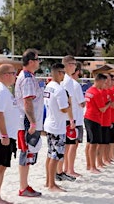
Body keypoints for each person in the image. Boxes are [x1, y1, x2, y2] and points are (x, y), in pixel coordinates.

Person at [14, 48, 44, 197]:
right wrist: (32, 123)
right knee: (26, 153)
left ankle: (25, 185)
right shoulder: (26, 78)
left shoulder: (29, 76)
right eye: (38, 59)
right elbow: (27, 102)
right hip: (27, 122)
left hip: (30, 121)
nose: (39, 62)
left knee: (29, 154)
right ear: (31, 62)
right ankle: (23, 187)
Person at [0, 64, 20, 204]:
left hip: (8, 135)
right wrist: (4, 135)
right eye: (13, 73)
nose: (15, 76)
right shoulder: (0, 91)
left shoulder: (5, 90)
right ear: (6, 75)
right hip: (1, 136)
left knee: (3, 166)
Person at [44, 63, 70, 192]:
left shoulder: (48, 86)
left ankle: (48, 181)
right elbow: (64, 109)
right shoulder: (59, 89)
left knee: (50, 154)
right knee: (55, 155)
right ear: (59, 73)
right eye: (64, 73)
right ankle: (51, 184)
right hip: (57, 126)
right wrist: (70, 104)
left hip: (49, 123)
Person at [84, 73, 110, 174]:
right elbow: (102, 109)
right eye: (103, 83)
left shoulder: (89, 90)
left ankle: (89, 165)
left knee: (89, 143)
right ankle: (92, 166)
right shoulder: (97, 93)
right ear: (99, 81)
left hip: (88, 117)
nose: (104, 85)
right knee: (94, 144)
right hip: (94, 118)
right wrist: (108, 103)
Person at [58, 55, 78, 181]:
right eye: (75, 64)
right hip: (66, 117)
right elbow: (68, 101)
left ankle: (62, 170)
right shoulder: (68, 80)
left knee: (65, 146)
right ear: (70, 65)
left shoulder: (65, 79)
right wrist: (71, 119)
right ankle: (61, 171)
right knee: (65, 146)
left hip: (64, 116)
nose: (76, 67)